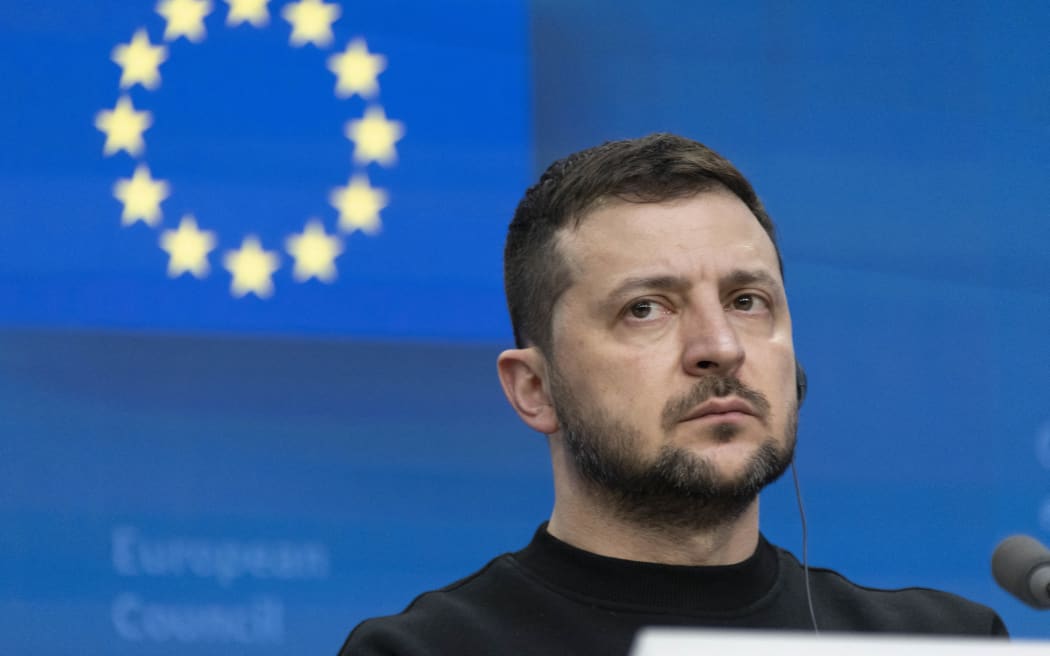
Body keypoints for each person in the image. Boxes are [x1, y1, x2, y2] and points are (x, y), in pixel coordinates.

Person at [339, 133, 1006, 655]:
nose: (720, 346)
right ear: (535, 389)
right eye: (646, 310)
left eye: (747, 301)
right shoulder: (424, 652)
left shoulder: (943, 643)